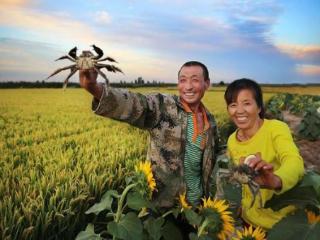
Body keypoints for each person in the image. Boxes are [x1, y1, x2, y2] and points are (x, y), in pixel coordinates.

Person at [79, 61, 220, 210]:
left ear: (207, 83)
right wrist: (94, 88)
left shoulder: (210, 121)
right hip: (162, 207)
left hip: (197, 207)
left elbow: (214, 156)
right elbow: (136, 104)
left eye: (195, 80)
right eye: (183, 80)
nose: (188, 86)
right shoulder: (164, 106)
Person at [224, 78, 304, 230]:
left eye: (247, 103)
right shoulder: (231, 141)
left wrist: (275, 180)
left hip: (280, 224)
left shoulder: (276, 128)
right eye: (233, 105)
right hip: (249, 222)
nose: (239, 110)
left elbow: (293, 160)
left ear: (259, 107)